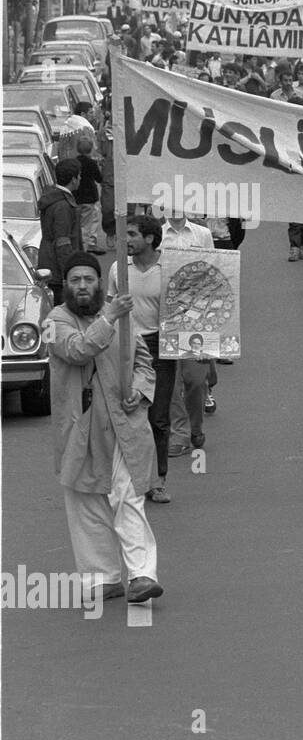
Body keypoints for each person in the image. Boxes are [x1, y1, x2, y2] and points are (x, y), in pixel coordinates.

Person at [48, 252, 164, 605]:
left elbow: (144, 361)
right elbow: (77, 350)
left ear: (99, 283)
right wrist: (111, 317)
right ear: (66, 286)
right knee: (87, 504)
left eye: (89, 279)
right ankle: (105, 578)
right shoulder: (55, 320)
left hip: (123, 425)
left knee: (127, 497)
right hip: (80, 429)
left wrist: (140, 391)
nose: (82, 286)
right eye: (75, 280)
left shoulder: (119, 316)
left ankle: (142, 574)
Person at [106, 215, 173, 502]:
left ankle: (157, 480)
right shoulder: (118, 267)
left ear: (149, 238)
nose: (126, 240)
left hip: (160, 344)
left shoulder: (169, 267)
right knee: (126, 412)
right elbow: (110, 306)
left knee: (157, 415)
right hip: (126, 345)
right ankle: (123, 478)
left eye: (132, 234)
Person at [160, 207, 217, 454]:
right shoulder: (157, 235)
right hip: (168, 314)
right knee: (172, 381)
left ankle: (195, 426)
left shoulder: (202, 234)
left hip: (198, 315)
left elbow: (215, 270)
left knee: (194, 380)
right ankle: (179, 433)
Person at [37, 158, 85, 305]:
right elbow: (62, 242)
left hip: (49, 263)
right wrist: (69, 272)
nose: (80, 178)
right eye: (79, 175)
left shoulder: (54, 198)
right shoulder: (62, 206)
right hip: (57, 271)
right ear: (73, 179)